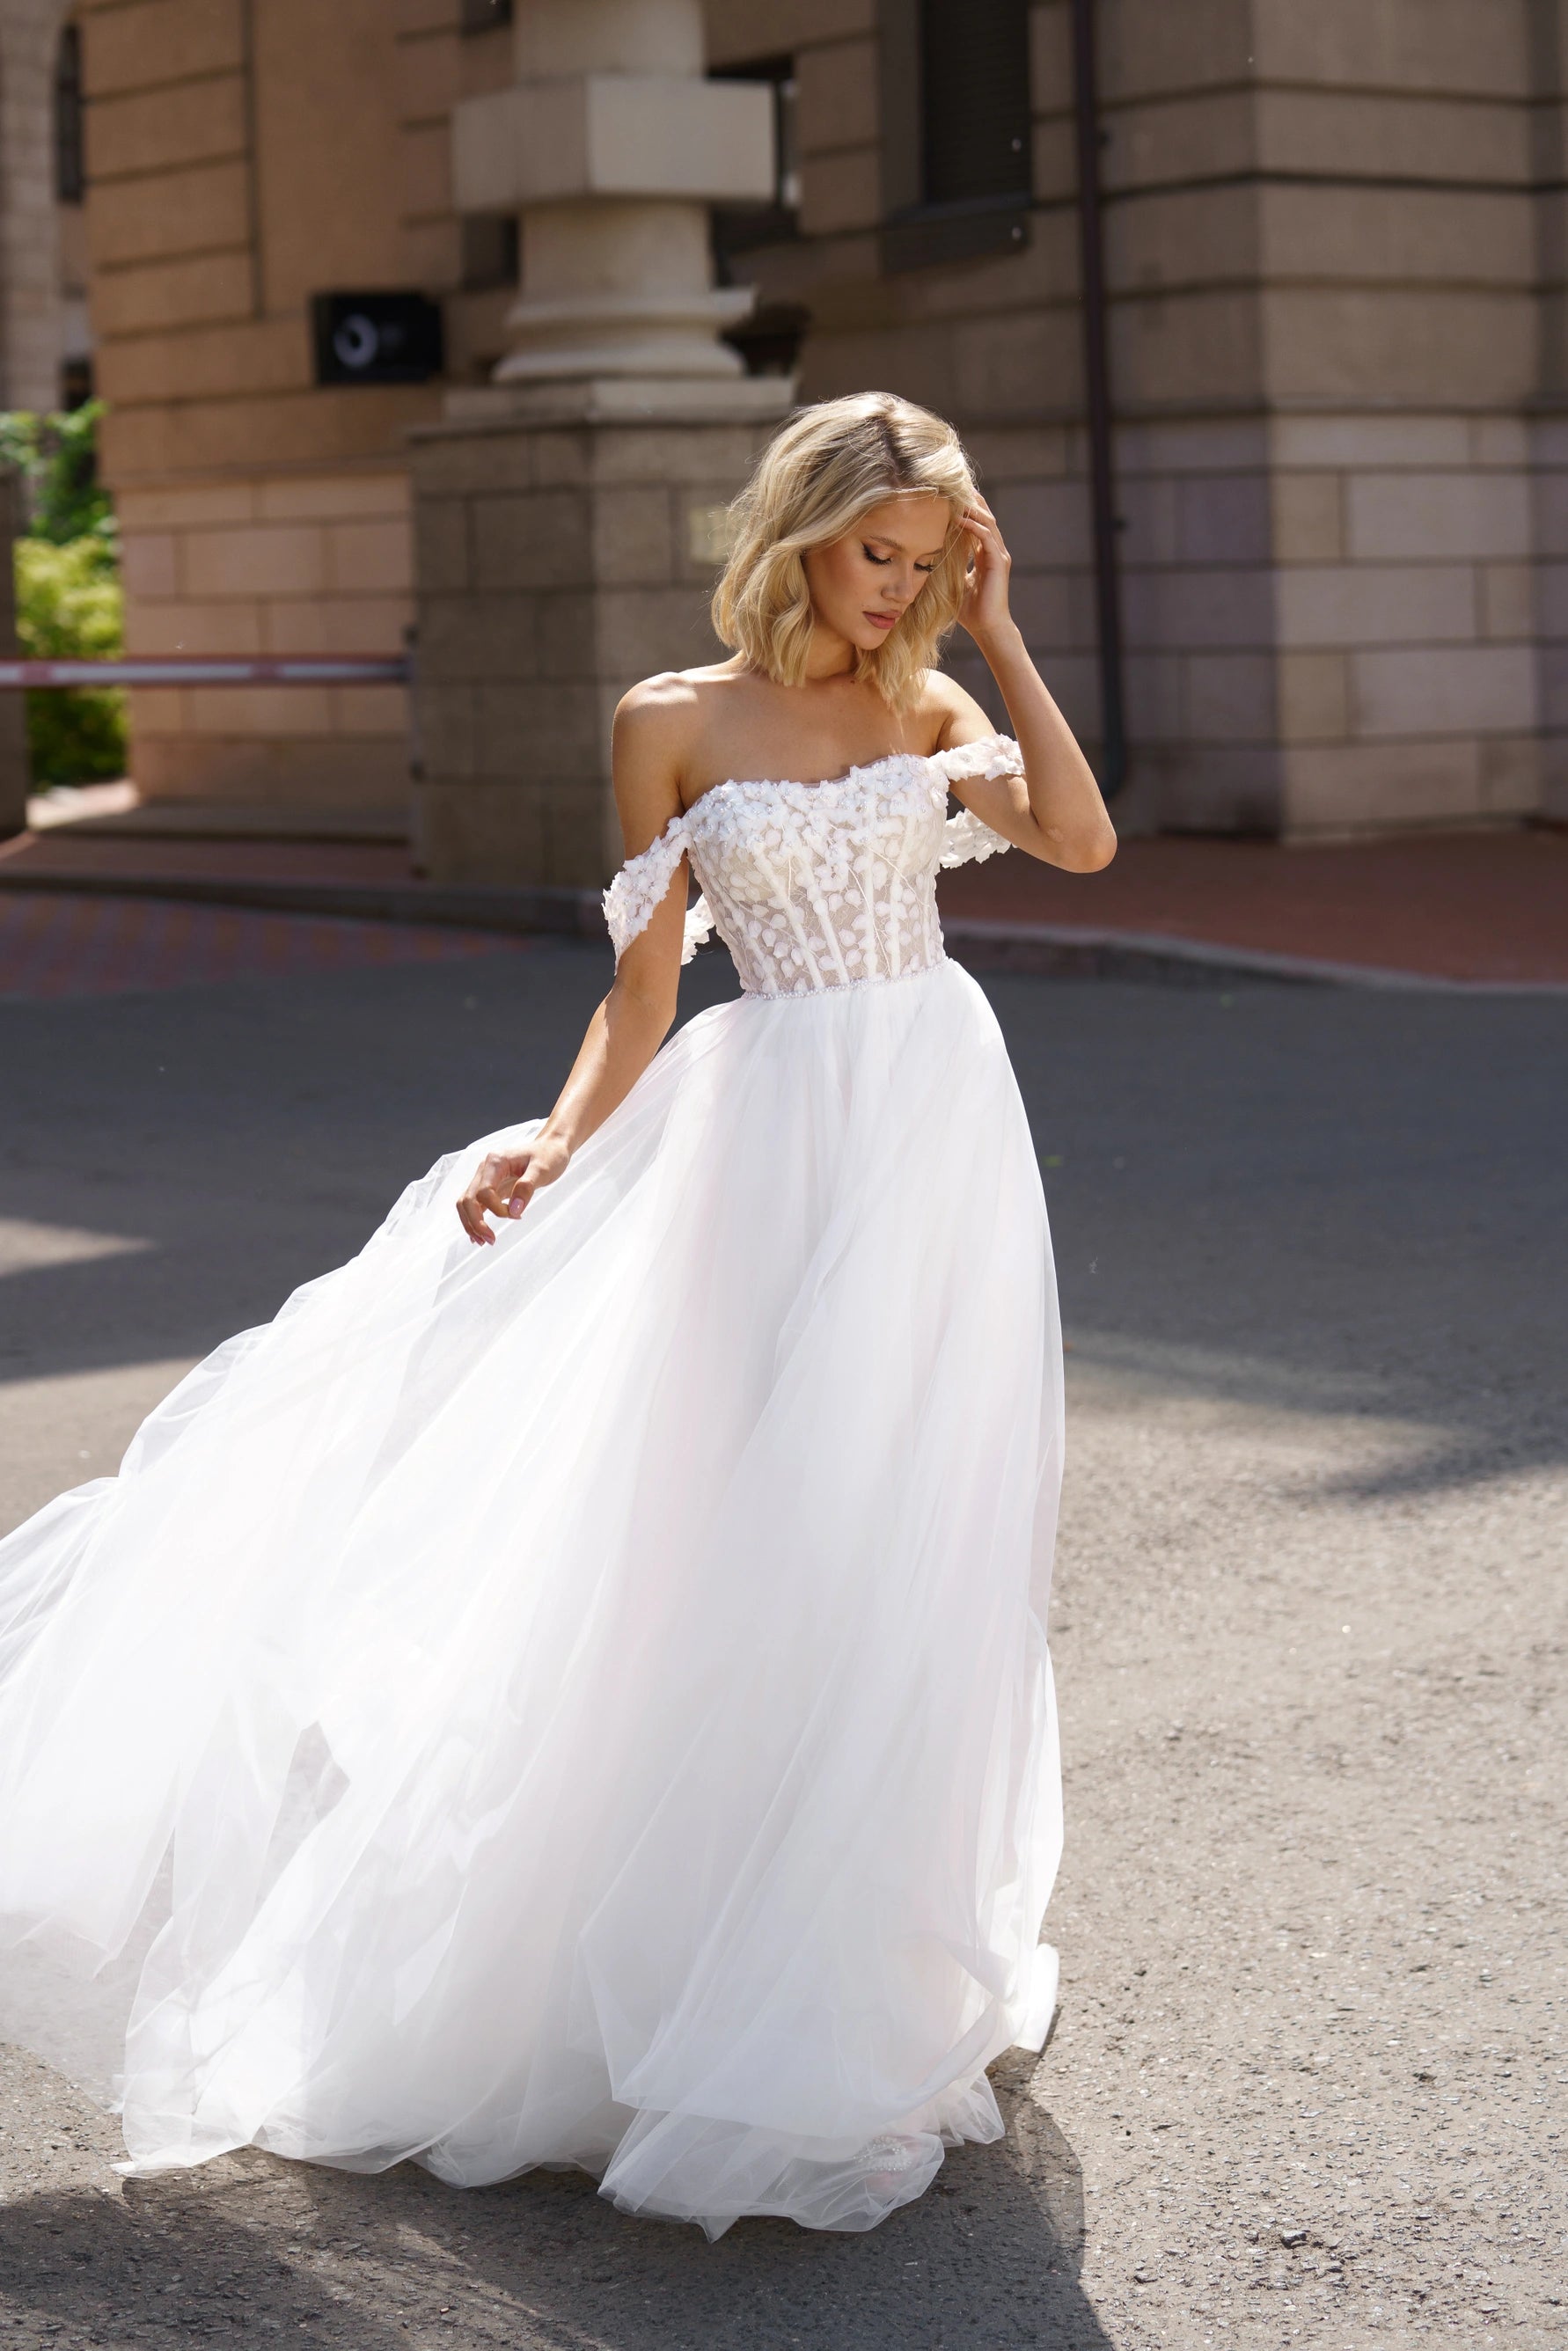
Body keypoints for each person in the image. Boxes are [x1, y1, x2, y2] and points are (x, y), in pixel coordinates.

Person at [0, 392, 1114, 2240]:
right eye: (877, 555)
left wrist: (998, 632)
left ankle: (856, 1944)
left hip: (935, 1138)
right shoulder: (667, 723)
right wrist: (559, 1141)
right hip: (762, 1149)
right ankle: (696, 1957)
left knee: (912, 1536)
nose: (894, 588)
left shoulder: (930, 702)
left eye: (929, 562)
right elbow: (647, 988)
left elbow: (1076, 840)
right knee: (739, 1533)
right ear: (801, 529)